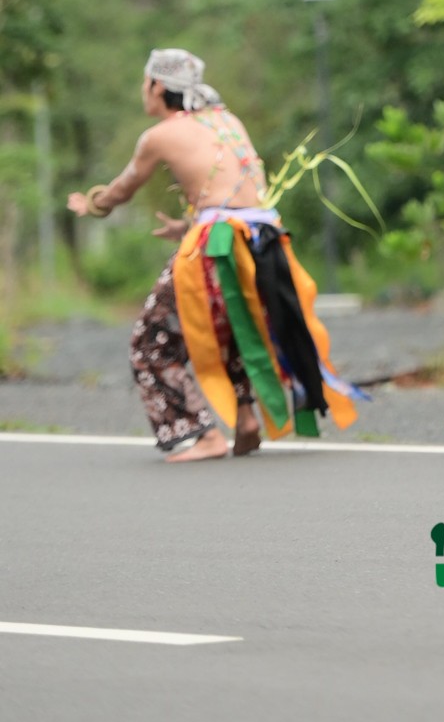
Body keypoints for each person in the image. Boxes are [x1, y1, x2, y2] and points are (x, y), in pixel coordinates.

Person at [67, 48, 361, 462]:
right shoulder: (227, 121)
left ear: (157, 86)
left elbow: (123, 189)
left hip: (218, 242)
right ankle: (245, 417)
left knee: (150, 343)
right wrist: (189, 224)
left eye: (145, 82)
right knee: (231, 326)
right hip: (262, 240)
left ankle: (202, 434)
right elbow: (237, 195)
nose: (143, 90)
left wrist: (92, 204)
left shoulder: (159, 135)